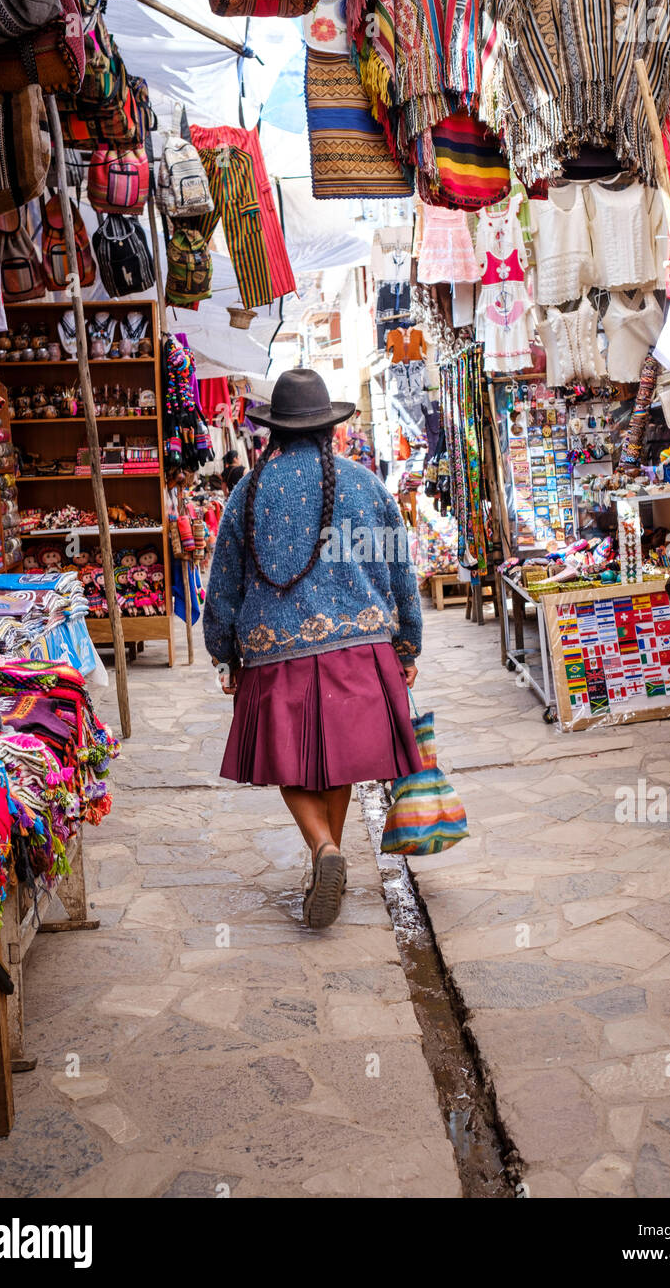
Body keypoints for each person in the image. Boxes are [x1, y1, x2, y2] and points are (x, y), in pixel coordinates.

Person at [204, 368, 423, 930]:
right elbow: (401, 568)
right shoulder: (367, 485)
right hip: (360, 648)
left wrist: (223, 651)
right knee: (338, 762)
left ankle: (325, 852)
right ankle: (329, 854)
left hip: (275, 652)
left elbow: (224, 582)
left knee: (291, 765)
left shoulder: (247, 494)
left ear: (274, 430)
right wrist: (407, 644)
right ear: (330, 427)